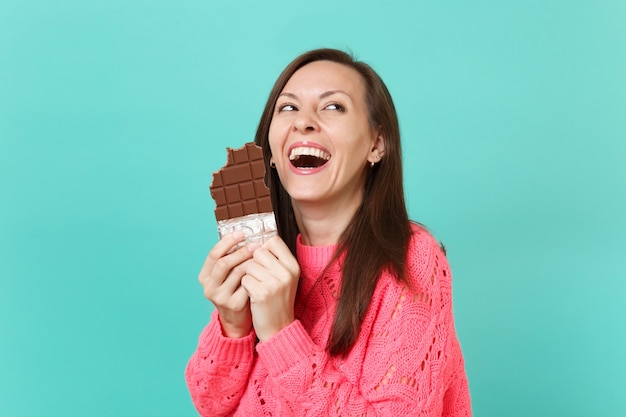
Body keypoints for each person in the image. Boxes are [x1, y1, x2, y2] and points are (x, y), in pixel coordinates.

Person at [185, 48, 472, 416]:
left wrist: (279, 332)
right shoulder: (264, 257)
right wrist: (233, 323)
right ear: (271, 152)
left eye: (333, 107)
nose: (303, 122)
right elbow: (211, 404)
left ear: (376, 144)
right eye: (288, 108)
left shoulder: (410, 258)